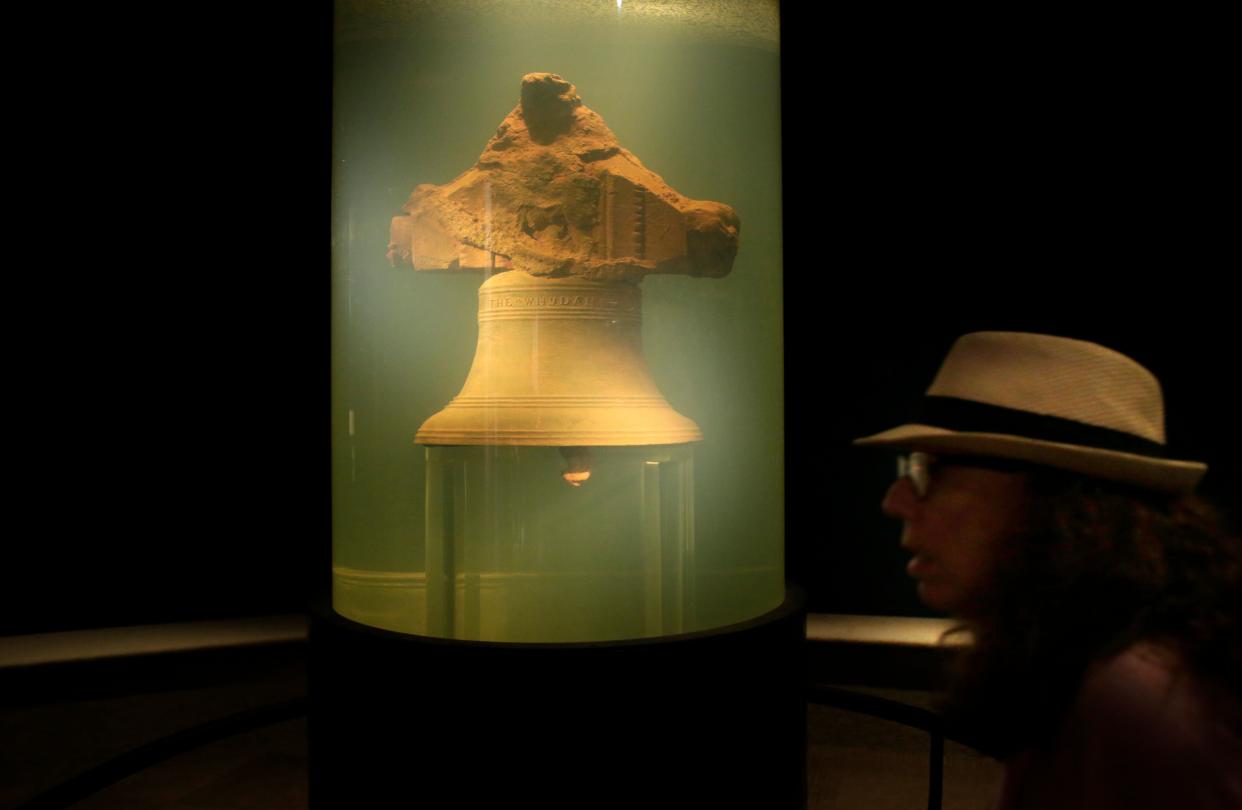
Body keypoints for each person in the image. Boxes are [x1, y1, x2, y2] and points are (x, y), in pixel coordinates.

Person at [853, 331, 1242, 809]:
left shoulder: (1132, 704)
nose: (894, 502)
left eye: (932, 469)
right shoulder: (1082, 662)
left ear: (1053, 503)